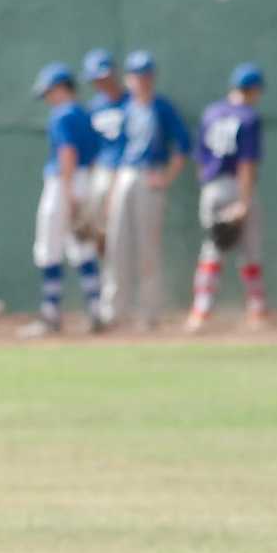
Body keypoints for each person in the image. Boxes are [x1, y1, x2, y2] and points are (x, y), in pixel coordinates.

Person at [104, 51, 193, 330]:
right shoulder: (126, 108)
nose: (140, 81)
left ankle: (149, 312)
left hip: (150, 174)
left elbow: (183, 146)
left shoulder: (162, 108)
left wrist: (167, 177)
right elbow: (118, 152)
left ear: (152, 78)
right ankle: (114, 311)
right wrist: (112, 189)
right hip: (125, 175)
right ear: (128, 79)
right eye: (135, 75)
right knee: (116, 244)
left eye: (145, 75)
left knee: (148, 248)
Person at [20, 61, 105, 339]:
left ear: (60, 88)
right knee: (81, 247)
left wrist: (68, 194)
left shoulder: (62, 115)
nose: (47, 97)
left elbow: (67, 151)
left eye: (48, 91)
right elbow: (92, 156)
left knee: (49, 247)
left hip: (63, 183)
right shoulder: (84, 113)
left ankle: (51, 315)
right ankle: (95, 310)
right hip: (85, 180)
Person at [188, 63, 269, 332]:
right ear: (254, 89)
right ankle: (257, 311)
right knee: (249, 251)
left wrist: (208, 188)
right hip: (236, 185)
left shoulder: (211, 113)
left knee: (212, 249)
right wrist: (243, 203)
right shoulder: (248, 117)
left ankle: (200, 312)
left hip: (211, 188)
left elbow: (199, 159)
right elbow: (247, 164)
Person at [82, 47, 129, 283]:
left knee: (123, 233)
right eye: (96, 78)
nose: (101, 82)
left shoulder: (131, 103)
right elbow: (89, 149)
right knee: (98, 233)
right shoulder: (94, 108)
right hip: (101, 172)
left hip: (127, 172)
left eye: (105, 76)